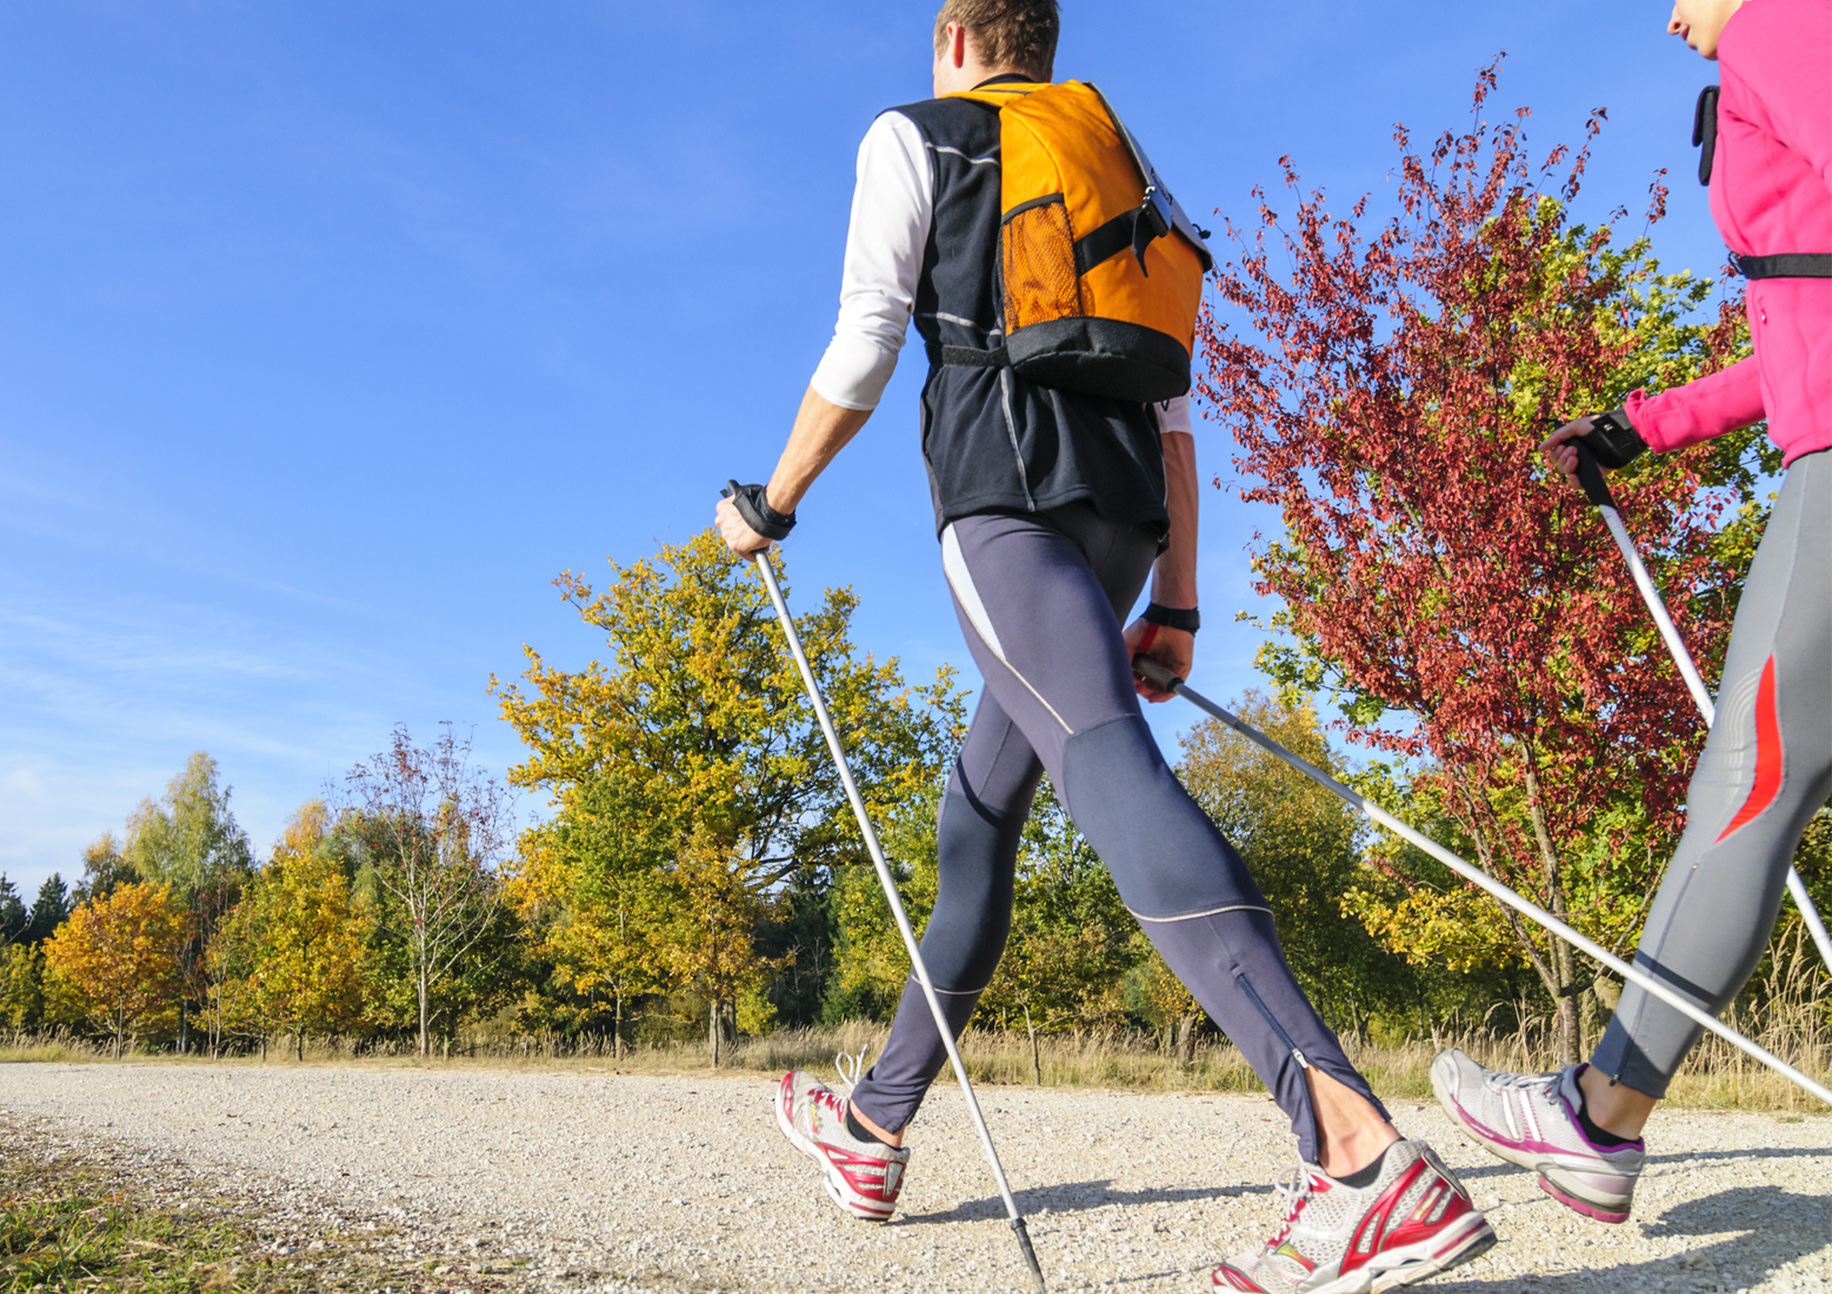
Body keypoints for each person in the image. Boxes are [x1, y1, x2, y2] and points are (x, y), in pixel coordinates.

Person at [715, 3, 1498, 1288]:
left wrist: (771, 500)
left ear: (955, 36)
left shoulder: (916, 136)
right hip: (1121, 524)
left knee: (1107, 771)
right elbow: (1177, 414)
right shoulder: (1117, 164)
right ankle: (874, 1122)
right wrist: (1176, 602)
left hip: (1005, 514)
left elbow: (863, 339)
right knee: (977, 819)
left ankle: (1358, 1157)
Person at [1433, 0, 1832, 1226]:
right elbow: (1802, 327)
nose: (1666, 15)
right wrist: (1642, 425)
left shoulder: (1784, 21)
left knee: (1749, 778)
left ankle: (1598, 1115)